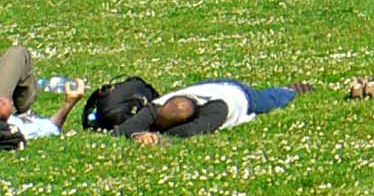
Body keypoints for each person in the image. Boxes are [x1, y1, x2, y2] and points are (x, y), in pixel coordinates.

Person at [114, 80, 308, 144]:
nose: (156, 123)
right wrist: (138, 134)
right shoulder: (162, 105)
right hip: (207, 86)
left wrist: (156, 136)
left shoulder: (218, 110)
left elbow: (189, 133)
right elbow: (122, 130)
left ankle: (292, 89)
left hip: (239, 94)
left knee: (271, 100)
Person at [0, 44, 81, 146]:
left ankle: (25, 110)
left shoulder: (11, 127)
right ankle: (25, 110)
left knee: (18, 53)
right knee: (18, 53)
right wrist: (69, 104)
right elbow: (50, 127)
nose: (3, 102)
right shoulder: (15, 129)